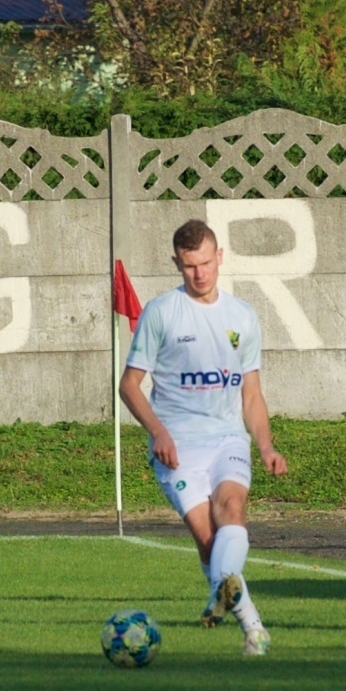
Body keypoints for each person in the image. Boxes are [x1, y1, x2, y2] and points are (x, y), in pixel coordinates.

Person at [118, 219, 288, 656]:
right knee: (210, 543)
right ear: (177, 263)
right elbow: (130, 385)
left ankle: (250, 629)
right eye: (190, 266)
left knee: (232, 508)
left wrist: (266, 444)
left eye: (207, 263)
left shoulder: (242, 317)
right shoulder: (161, 313)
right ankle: (247, 618)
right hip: (178, 447)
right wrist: (157, 432)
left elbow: (251, 394)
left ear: (220, 258)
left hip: (228, 438)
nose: (200, 274)